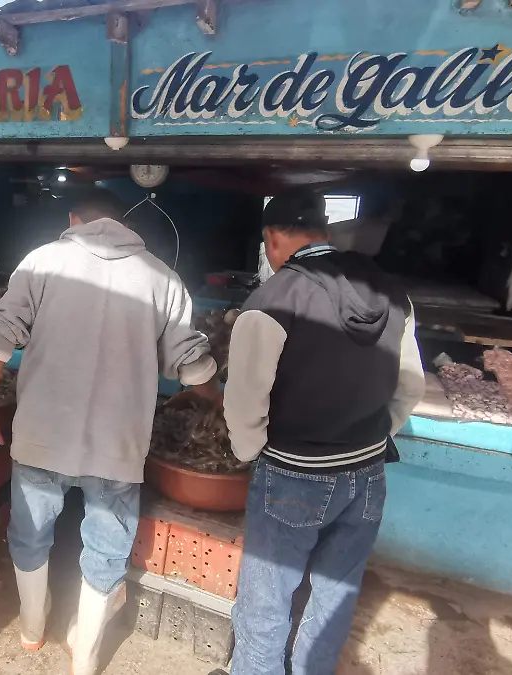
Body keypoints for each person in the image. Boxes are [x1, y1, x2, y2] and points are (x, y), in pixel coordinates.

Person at [0, 187, 218, 675]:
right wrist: (227, 403)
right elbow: (192, 369)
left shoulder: (42, 262)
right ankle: (84, 655)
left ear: (73, 219)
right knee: (106, 547)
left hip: (43, 433)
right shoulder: (163, 279)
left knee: (30, 532)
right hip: (117, 443)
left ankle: (30, 627)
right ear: (126, 223)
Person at [212, 192, 425, 675]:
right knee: (334, 595)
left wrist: (251, 453)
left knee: (266, 600)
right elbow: (410, 384)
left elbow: (245, 400)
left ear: (272, 237)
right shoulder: (392, 290)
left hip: (294, 474)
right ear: (324, 232)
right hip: (368, 472)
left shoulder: (270, 300)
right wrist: (372, 434)